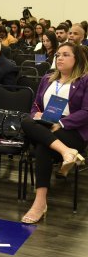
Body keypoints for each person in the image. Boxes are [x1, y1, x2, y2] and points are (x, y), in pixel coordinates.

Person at [20, 43, 88, 223]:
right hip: (45, 126)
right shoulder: (47, 78)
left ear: (77, 59)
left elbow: (86, 112)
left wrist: (61, 123)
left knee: (44, 146)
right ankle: (66, 152)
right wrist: (37, 115)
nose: (60, 58)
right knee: (26, 120)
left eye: (66, 55)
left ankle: (40, 203)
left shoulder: (84, 80)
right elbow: (34, 106)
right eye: (58, 55)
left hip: (71, 131)